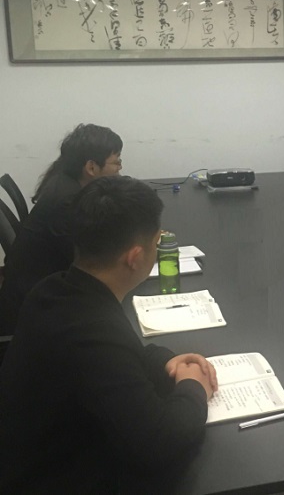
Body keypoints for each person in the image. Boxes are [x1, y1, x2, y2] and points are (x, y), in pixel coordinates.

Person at [0, 176, 217, 493]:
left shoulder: (55, 290)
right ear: (134, 257)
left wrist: (165, 361)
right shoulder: (92, 331)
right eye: (156, 243)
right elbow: (159, 442)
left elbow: (120, 357)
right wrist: (194, 387)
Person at [0, 123, 123, 334]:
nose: (120, 169)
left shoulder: (66, 181)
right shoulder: (66, 203)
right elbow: (89, 263)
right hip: (37, 311)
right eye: (117, 162)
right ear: (91, 168)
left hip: (39, 288)